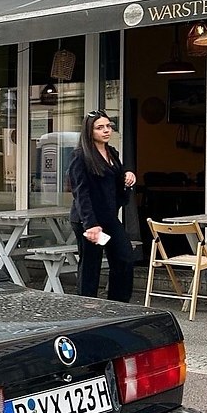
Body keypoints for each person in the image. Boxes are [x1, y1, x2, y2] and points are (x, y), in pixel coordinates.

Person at [68, 109, 137, 302]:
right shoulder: (80, 156)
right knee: (91, 263)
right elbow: (80, 193)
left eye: (108, 126)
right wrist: (90, 224)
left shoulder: (111, 152)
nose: (106, 130)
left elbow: (117, 183)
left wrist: (127, 178)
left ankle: (118, 305)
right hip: (89, 220)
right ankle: (86, 306)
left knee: (124, 259)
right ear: (90, 131)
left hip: (109, 218)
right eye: (100, 127)